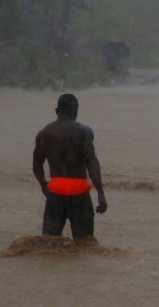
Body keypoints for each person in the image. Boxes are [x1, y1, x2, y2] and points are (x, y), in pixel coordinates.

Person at [32, 93, 108, 241]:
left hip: (55, 193)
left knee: (49, 244)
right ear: (76, 111)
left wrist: (43, 184)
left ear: (56, 111)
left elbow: (36, 165)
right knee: (85, 245)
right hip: (78, 193)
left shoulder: (44, 134)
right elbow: (92, 162)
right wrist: (100, 192)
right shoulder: (83, 132)